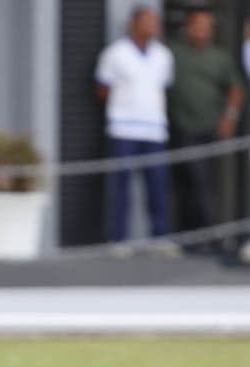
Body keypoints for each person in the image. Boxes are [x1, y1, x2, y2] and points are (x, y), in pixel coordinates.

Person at [95, 6, 174, 243]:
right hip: (123, 129)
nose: (154, 25)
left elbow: (166, 87)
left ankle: (160, 237)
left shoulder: (164, 55)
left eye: (155, 21)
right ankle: (119, 239)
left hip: (154, 130)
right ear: (133, 24)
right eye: (148, 21)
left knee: (158, 186)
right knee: (121, 188)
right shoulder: (115, 53)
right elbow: (102, 88)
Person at [168, 9, 244, 241]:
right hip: (182, 127)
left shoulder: (219, 57)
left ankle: (204, 235)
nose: (202, 31)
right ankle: (205, 234)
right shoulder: (174, 53)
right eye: (198, 25)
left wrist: (229, 117)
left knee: (202, 181)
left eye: (207, 26)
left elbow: (235, 89)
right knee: (191, 180)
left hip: (209, 128)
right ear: (187, 28)